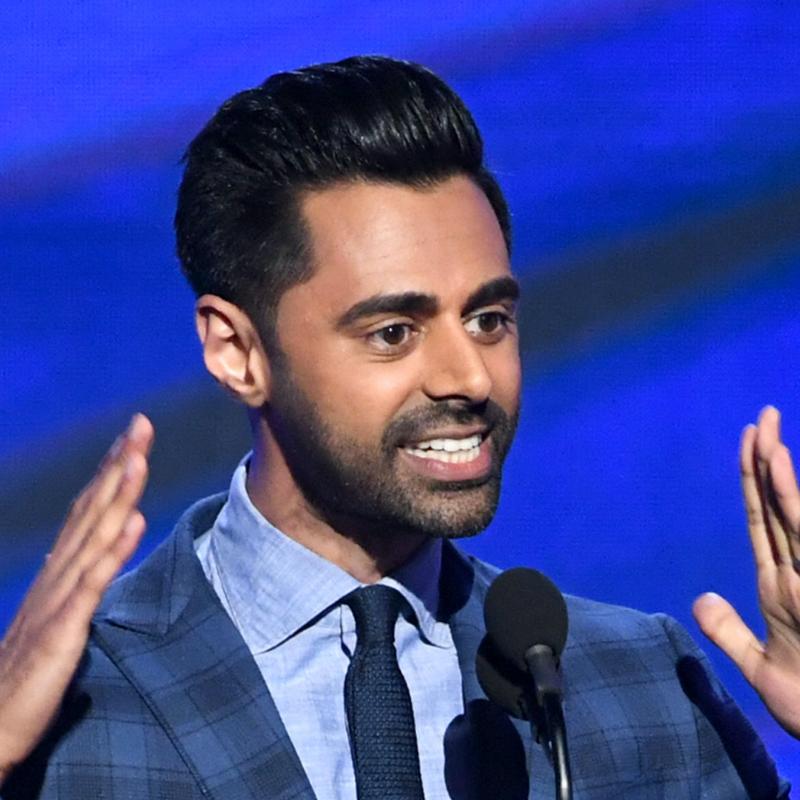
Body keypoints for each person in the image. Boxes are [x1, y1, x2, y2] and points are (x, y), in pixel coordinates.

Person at [0, 55, 797, 799]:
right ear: (237, 351)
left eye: (488, 319)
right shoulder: (68, 708)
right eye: (393, 332)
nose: (470, 378)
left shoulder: (642, 687)